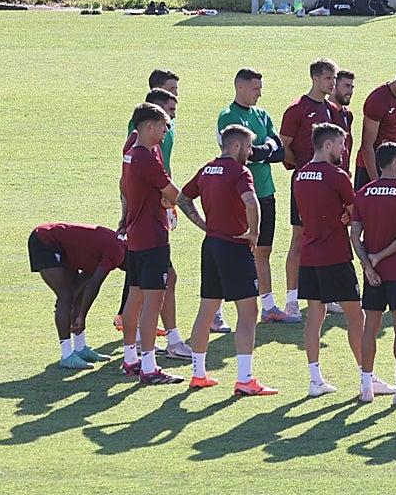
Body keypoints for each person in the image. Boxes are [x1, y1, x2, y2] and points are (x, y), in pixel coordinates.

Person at [175, 125, 277, 396]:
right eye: (248, 146)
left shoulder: (207, 169)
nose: (250, 152)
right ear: (235, 146)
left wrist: (203, 224)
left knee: (206, 310)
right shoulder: (239, 171)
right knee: (248, 313)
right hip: (234, 246)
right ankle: (245, 379)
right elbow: (252, 202)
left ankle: (198, 374)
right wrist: (254, 233)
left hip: (211, 245)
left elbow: (183, 198)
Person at [293, 123, 379, 398]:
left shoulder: (301, 175)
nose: (343, 149)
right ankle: (367, 377)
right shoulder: (337, 175)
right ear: (328, 144)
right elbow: (357, 213)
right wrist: (346, 215)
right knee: (357, 317)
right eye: (341, 144)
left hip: (309, 255)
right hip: (335, 255)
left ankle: (315, 379)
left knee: (315, 316)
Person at [118, 86, 195, 352]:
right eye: (166, 121)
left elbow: (125, 185)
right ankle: (152, 356)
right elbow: (177, 195)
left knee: (138, 293)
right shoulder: (146, 155)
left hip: (137, 231)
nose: (168, 129)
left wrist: (126, 215)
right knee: (153, 297)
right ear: (150, 125)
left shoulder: (133, 148)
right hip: (151, 234)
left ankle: (132, 355)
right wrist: (208, 226)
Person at [216, 68, 295, 324]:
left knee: (264, 249)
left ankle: (268, 306)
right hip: (240, 194)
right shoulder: (228, 116)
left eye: (260, 88)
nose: (259, 94)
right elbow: (245, 154)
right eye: (255, 89)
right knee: (233, 252)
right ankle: (216, 313)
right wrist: (265, 151)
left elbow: (279, 151)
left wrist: (263, 151)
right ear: (240, 87)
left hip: (265, 191)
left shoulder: (262, 115)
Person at [350, 142, 396, 405]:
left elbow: (354, 235)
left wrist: (368, 266)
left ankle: (366, 387)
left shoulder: (363, 193)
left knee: (370, 328)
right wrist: (379, 257)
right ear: (395, 161)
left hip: (374, 275)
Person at [279, 58, 339, 321]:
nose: (332, 84)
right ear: (315, 78)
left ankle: (329, 294)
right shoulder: (297, 109)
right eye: (328, 79)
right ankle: (292, 300)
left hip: (330, 184)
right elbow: (284, 147)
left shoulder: (332, 109)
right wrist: (302, 167)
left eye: (334, 79)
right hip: (305, 184)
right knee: (299, 237)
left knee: (329, 235)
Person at [29, 223, 125, 369]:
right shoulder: (117, 253)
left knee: (74, 295)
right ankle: (66, 355)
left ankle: (80, 348)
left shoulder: (117, 249)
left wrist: (81, 314)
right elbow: (94, 284)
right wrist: (81, 315)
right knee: (65, 296)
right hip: (45, 240)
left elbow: (87, 281)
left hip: (63, 247)